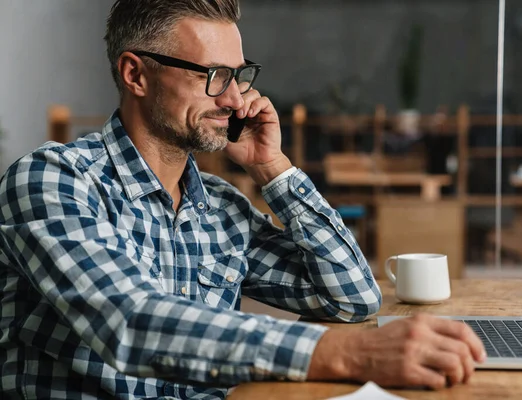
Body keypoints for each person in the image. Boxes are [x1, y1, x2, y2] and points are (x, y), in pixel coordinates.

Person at [0, 0, 486, 398]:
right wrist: (349, 354)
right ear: (136, 75)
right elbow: (129, 322)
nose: (235, 99)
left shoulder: (220, 206)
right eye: (212, 75)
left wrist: (272, 168)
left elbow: (352, 298)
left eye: (238, 75)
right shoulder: (51, 181)